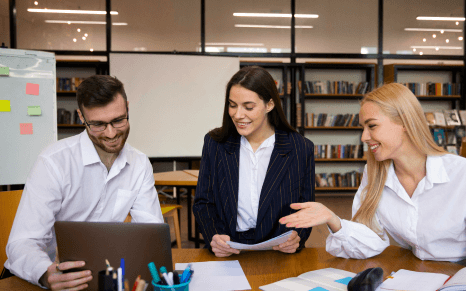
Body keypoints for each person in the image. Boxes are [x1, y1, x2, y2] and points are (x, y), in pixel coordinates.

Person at [279, 83, 466, 290]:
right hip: (416, 276)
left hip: (465, 278)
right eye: (363, 128)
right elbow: (370, 239)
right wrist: (333, 219)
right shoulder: (375, 172)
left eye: (372, 126)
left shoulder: (462, 173)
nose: (364, 137)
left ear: (404, 124)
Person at [4, 75, 163, 290]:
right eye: (98, 124)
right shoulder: (54, 162)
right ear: (81, 116)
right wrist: (46, 273)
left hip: (103, 275)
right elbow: (21, 243)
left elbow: (151, 234)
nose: (111, 133)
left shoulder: (139, 163)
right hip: (44, 278)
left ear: (127, 107)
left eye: (119, 120)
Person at [193, 66, 314, 257]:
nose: (238, 114)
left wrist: (296, 237)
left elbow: (305, 207)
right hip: (228, 250)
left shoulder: (300, 148)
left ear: (269, 105)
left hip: (278, 252)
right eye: (232, 105)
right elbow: (203, 202)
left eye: (248, 107)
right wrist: (214, 236)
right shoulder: (215, 143)